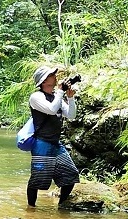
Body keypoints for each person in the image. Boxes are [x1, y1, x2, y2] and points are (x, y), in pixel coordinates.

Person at [26, 65, 79, 207]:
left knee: (70, 175)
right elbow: (51, 110)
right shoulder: (36, 97)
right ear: (43, 81)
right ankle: (31, 209)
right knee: (37, 179)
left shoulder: (57, 96)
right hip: (41, 144)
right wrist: (61, 92)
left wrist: (70, 98)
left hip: (56, 144)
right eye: (52, 75)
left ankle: (61, 207)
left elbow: (71, 115)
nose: (55, 77)